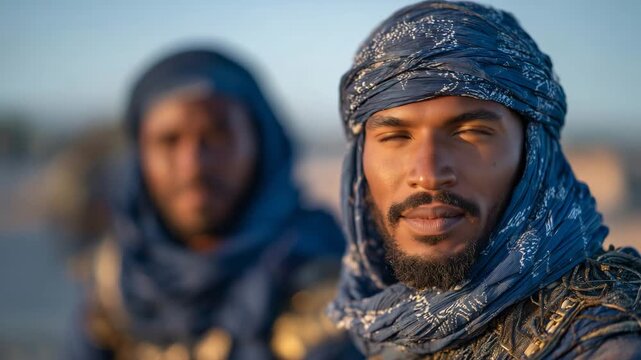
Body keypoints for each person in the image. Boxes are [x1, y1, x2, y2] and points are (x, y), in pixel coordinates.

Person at [327, 1, 641, 359]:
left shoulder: (599, 342)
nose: (428, 175)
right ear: (359, 161)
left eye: (470, 132)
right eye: (396, 137)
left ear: (533, 152)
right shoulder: (375, 322)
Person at [67, 48, 356, 359]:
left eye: (218, 136)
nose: (193, 165)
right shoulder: (117, 280)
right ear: (140, 156)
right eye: (169, 140)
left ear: (260, 143)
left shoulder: (327, 277)